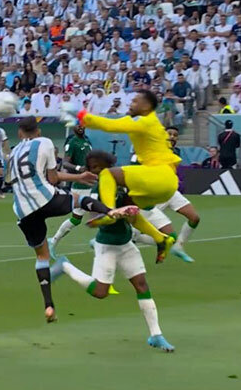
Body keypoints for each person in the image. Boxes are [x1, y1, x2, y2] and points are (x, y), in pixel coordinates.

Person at [7, 116, 137, 323]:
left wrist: (78, 177)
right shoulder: (45, 142)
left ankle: (49, 306)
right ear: (38, 131)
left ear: (20, 133)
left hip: (22, 210)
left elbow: (12, 180)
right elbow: (53, 179)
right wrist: (80, 177)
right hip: (44, 198)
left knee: (42, 256)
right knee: (80, 200)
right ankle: (110, 212)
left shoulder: (13, 153)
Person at [49, 150, 175, 352]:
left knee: (142, 285)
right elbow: (95, 220)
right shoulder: (97, 191)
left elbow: (135, 218)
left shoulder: (121, 187)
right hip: (107, 245)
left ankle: (156, 335)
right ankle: (65, 266)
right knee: (100, 292)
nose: (97, 172)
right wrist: (117, 213)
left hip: (125, 244)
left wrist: (157, 236)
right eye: (93, 168)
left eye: (100, 167)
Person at [61, 90, 180, 262]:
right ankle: (161, 239)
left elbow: (109, 125)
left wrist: (80, 114)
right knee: (128, 210)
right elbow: (114, 123)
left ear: (146, 106)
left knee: (107, 174)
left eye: (135, 101)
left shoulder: (145, 121)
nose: (131, 103)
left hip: (159, 175)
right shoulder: (142, 122)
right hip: (166, 184)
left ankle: (110, 212)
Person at [131, 127, 199, 263]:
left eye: (175, 135)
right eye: (169, 134)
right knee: (139, 231)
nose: (172, 137)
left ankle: (179, 246)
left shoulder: (175, 152)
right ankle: (135, 237)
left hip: (170, 191)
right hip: (155, 193)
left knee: (194, 218)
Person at [48, 125, 93, 255]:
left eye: (82, 125)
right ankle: (54, 241)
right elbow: (65, 163)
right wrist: (79, 168)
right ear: (74, 128)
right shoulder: (72, 142)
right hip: (81, 186)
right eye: (78, 126)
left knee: (80, 218)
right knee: (78, 218)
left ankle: (54, 240)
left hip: (90, 182)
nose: (80, 128)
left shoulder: (87, 140)